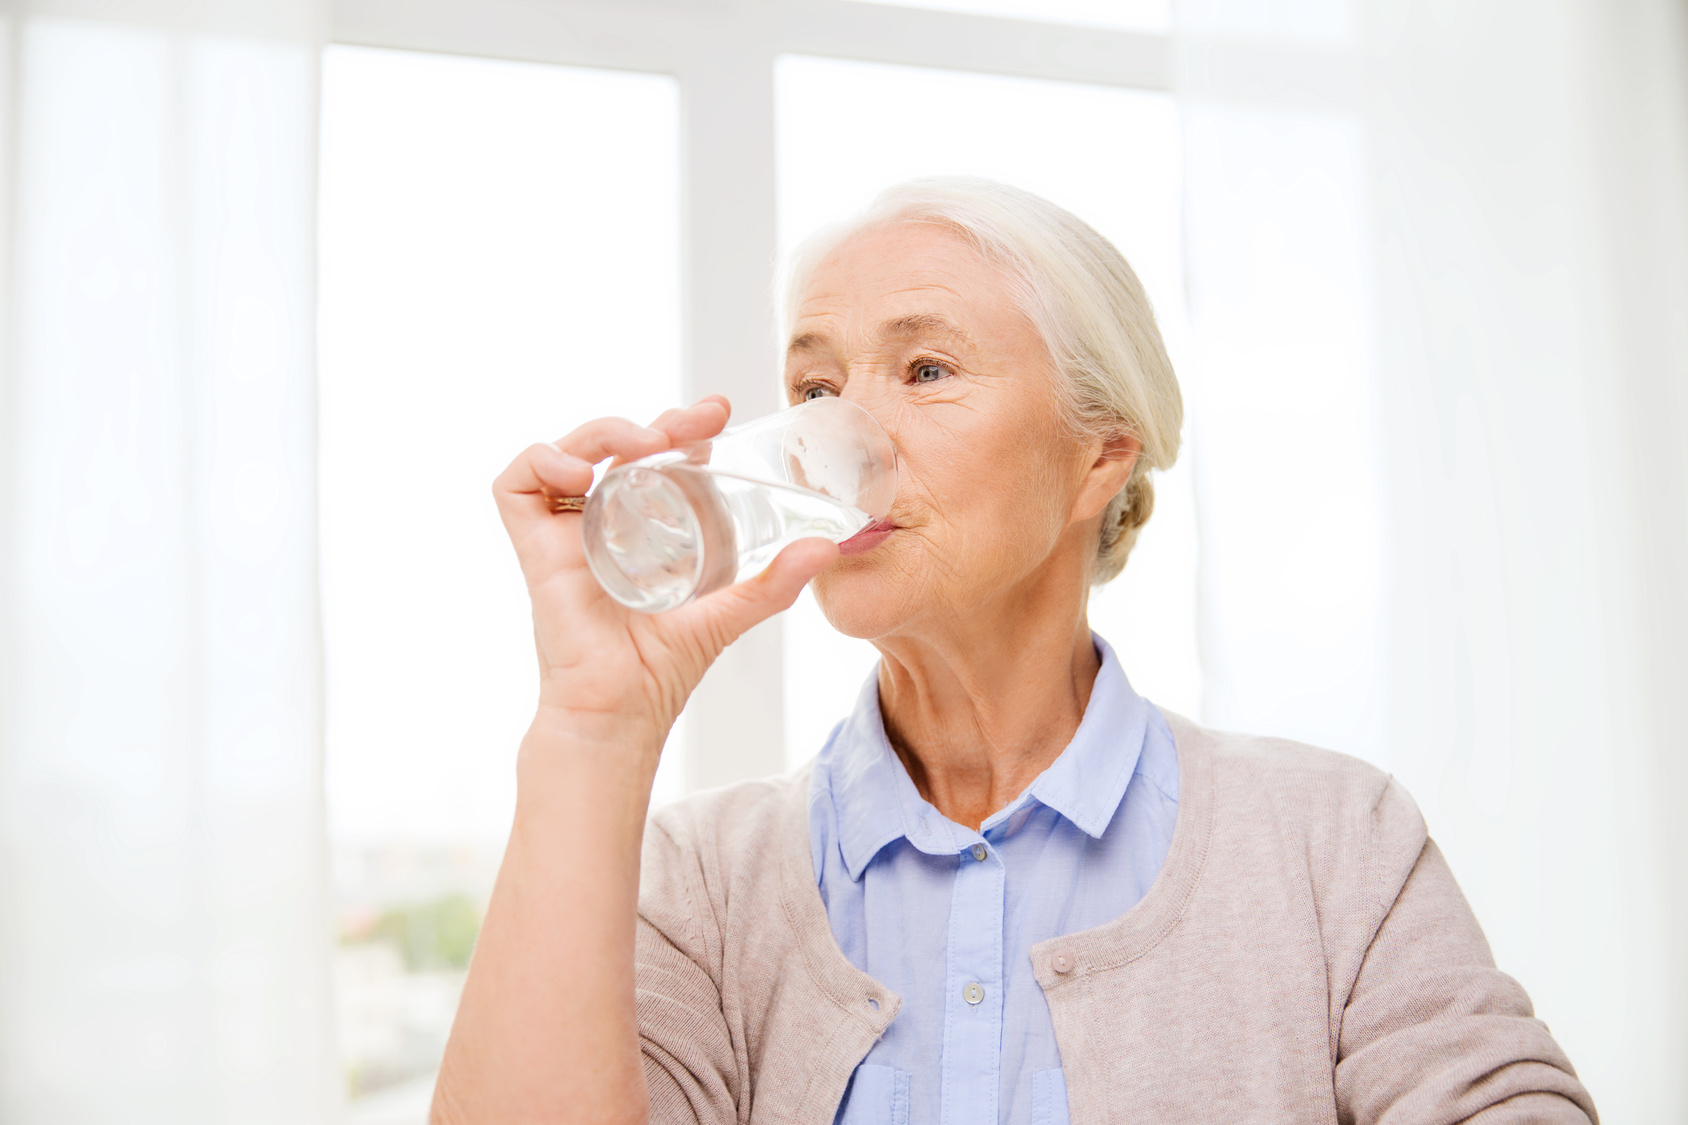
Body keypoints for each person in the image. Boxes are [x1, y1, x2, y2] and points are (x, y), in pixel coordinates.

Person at [432, 178, 1595, 1124]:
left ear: (1098, 456)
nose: (835, 439)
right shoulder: (698, 882)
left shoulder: (1330, 842)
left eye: (924, 370)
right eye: (815, 385)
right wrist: (592, 726)